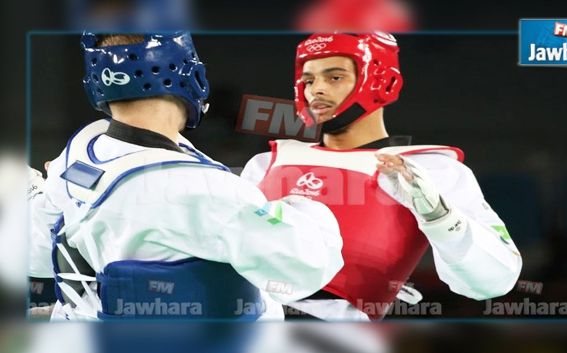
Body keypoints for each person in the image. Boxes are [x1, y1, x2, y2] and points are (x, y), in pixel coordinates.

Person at [28, 32, 343, 321]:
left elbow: (34, 252)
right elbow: (306, 266)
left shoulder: (80, 152)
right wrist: (303, 207)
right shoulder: (202, 191)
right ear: (189, 76)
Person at [241, 32, 523, 321]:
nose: (317, 91)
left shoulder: (431, 170)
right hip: (237, 324)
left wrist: (441, 217)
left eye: (334, 77)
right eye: (309, 80)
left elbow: (495, 281)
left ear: (381, 81)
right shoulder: (267, 164)